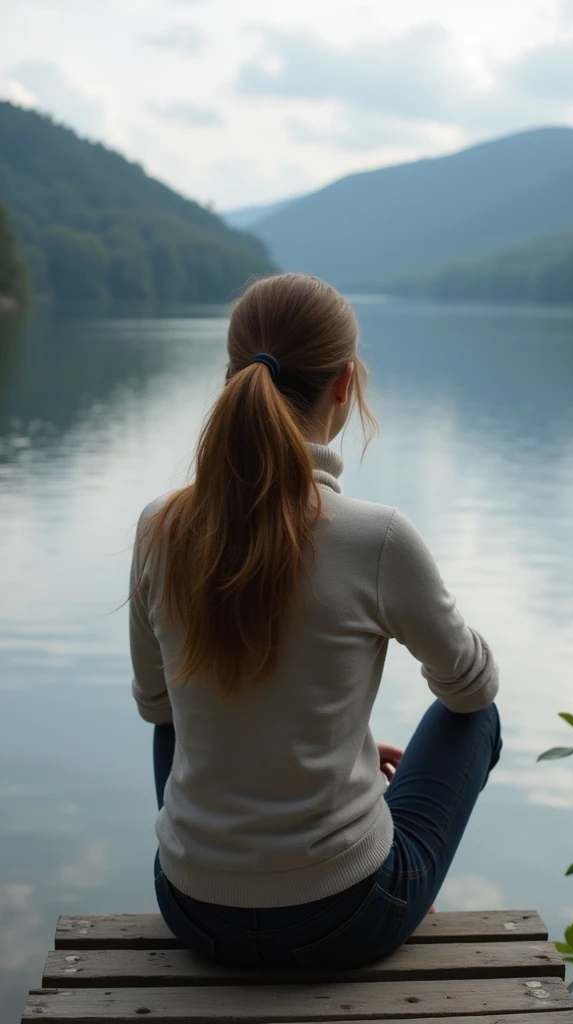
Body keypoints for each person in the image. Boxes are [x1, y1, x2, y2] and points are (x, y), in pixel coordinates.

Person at [129, 273, 501, 970]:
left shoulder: (160, 528)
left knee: (174, 713)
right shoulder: (378, 538)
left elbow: (157, 705)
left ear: (232, 378)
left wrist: (333, 742)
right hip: (345, 919)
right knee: (478, 717)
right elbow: (472, 691)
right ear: (344, 383)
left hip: (192, 909)